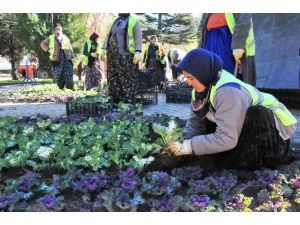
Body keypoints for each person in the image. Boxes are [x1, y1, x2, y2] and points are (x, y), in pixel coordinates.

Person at [166, 48, 297, 170]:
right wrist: (185, 145)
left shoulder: (227, 92)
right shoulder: (199, 91)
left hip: (271, 135)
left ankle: (258, 165)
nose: (188, 83)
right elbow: (196, 122)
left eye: (191, 78)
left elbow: (227, 138)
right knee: (209, 124)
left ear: (203, 74)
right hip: (238, 130)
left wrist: (190, 147)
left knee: (257, 113)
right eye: (187, 78)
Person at [199, 13, 256, 85]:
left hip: (226, 39)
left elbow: (244, 19)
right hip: (210, 39)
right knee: (210, 79)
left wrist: (238, 45)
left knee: (227, 79)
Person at [102, 13, 142, 103]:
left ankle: (128, 100)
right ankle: (115, 100)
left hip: (126, 55)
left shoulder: (133, 20)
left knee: (127, 78)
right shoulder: (116, 20)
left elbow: (138, 36)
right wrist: (103, 48)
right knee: (113, 77)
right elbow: (108, 35)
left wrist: (138, 51)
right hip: (112, 55)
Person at [41, 23, 74, 90]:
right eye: (56, 29)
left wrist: (72, 56)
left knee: (68, 73)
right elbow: (42, 44)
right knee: (58, 75)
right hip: (56, 59)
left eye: (59, 29)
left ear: (61, 30)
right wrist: (47, 49)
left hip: (66, 58)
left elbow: (70, 47)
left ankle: (70, 89)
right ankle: (60, 89)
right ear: (54, 30)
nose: (57, 30)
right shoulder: (51, 37)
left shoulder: (65, 37)